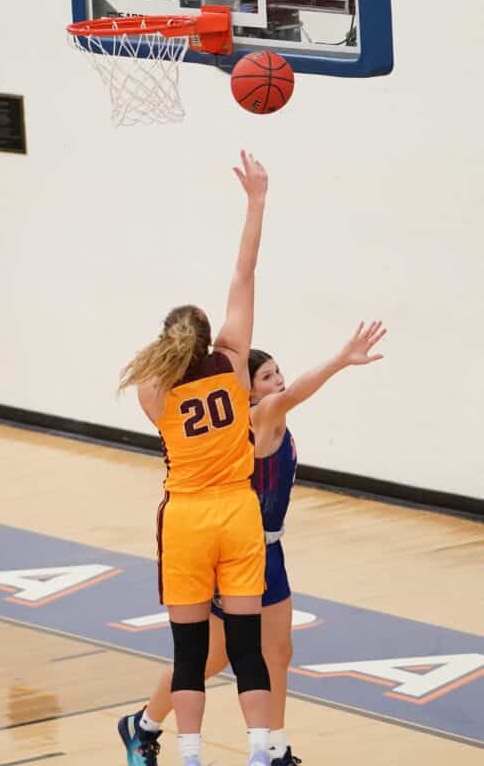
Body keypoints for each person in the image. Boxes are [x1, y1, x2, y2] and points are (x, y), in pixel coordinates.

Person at [119, 322, 386, 766]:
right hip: (237, 547)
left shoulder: (270, 416)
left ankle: (275, 747)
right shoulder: (256, 416)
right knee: (211, 657)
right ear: (246, 388)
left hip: (270, 549)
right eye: (267, 376)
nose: (278, 381)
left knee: (277, 652)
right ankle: (145, 725)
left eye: (279, 372)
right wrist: (340, 361)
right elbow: (298, 391)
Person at [119, 152, 272, 766]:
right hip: (239, 512)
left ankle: (188, 756)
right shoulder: (235, 365)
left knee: (188, 651)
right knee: (245, 646)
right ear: (210, 338)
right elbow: (244, 277)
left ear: (165, 340)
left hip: (185, 519)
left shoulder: (152, 391)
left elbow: (164, 368)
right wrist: (256, 201)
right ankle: (261, 752)